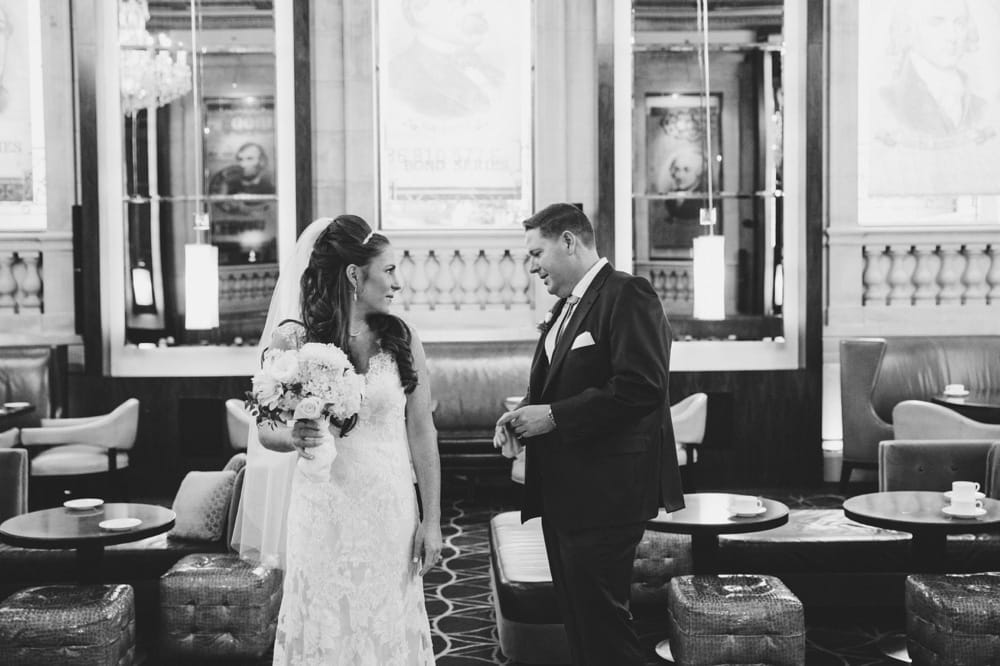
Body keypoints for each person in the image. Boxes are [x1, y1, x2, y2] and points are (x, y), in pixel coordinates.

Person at [232, 215, 441, 664]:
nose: (397, 283)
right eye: (388, 270)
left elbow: (422, 430)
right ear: (353, 275)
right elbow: (265, 429)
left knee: (384, 622)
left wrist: (434, 518)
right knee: (326, 624)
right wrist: (294, 435)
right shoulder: (295, 339)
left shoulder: (402, 339)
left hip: (389, 511)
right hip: (322, 510)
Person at [494, 203, 684, 665]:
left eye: (537, 253)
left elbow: (642, 387)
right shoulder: (565, 308)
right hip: (565, 496)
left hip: (606, 496)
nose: (532, 266)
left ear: (568, 241)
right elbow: (567, 382)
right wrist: (521, 415)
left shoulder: (628, 294)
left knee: (604, 629)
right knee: (580, 624)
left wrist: (553, 417)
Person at [879, 0, 988, 139]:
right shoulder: (885, 103)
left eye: (959, 23)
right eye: (936, 23)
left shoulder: (982, 108)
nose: (952, 36)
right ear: (908, 28)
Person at [208, 142, 275, 197]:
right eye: (240, 159)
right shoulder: (229, 186)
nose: (243, 165)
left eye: (249, 159)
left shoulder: (270, 187)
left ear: (261, 162)